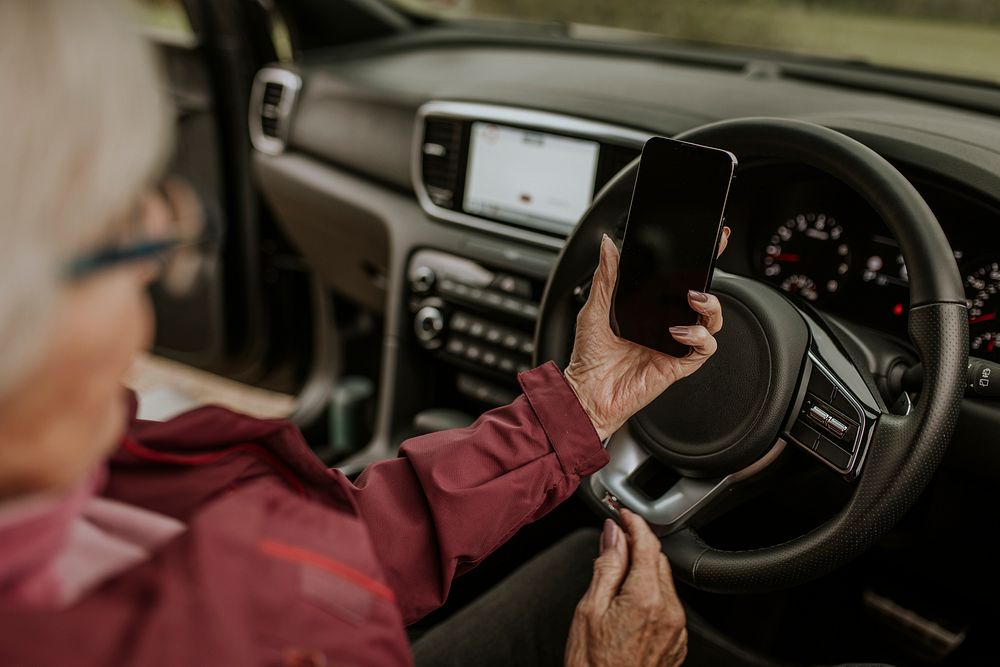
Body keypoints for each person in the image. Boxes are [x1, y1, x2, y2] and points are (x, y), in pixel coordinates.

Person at [0, 1, 727, 665]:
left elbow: (332, 548)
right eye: (128, 246)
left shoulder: (91, 482)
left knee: (578, 564)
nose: (144, 317)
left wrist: (580, 404)